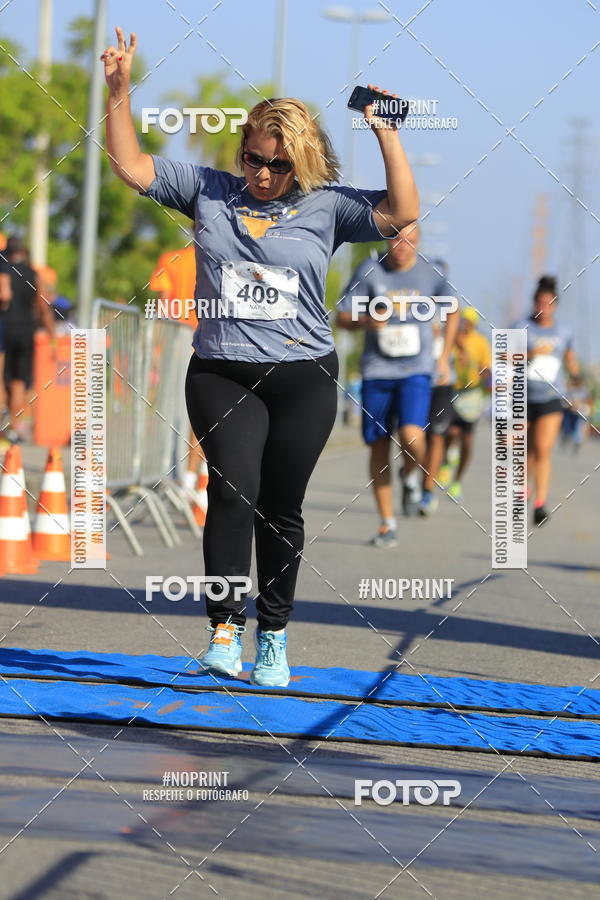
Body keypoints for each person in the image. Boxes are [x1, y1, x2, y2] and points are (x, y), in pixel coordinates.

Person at [103, 28, 419, 685]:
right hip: (221, 370)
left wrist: (387, 132)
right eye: (254, 159)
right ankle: (224, 631)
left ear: (301, 162)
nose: (263, 174)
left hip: (303, 377)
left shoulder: (328, 207)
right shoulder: (207, 190)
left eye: (278, 165)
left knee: (282, 507)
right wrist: (118, 93)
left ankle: (272, 636)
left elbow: (401, 213)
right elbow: (133, 168)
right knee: (231, 491)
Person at [336, 226, 458, 545]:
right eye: (396, 239)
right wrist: (365, 321)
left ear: (418, 243)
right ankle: (387, 524)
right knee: (378, 446)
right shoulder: (370, 269)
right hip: (377, 371)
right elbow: (342, 316)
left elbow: (453, 310)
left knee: (411, 435)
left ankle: (410, 473)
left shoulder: (430, 273)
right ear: (387, 239)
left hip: (416, 369)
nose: (402, 247)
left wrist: (443, 357)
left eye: (410, 242)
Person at [513, 275, 577, 526]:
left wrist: (574, 369)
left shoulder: (563, 332)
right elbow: (505, 356)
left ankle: (540, 503)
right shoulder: (521, 326)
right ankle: (524, 490)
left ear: (555, 305)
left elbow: (570, 359)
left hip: (551, 396)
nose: (543, 308)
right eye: (540, 302)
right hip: (523, 396)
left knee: (542, 448)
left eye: (548, 303)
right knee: (525, 451)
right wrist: (529, 353)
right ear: (534, 302)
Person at [149, 242, 204, 497]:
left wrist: (156, 349)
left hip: (178, 338)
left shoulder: (171, 259)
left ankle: (174, 476)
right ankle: (191, 480)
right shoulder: (220, 259)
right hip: (212, 338)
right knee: (202, 413)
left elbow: (163, 305)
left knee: (173, 410)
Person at [0, 237, 55, 443]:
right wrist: (52, 336)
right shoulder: (34, 274)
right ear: (24, 251)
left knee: (2, 375)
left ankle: (5, 425)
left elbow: (4, 295)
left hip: (6, 327)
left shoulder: (3, 271)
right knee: (19, 380)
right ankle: (13, 427)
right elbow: (43, 307)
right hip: (26, 330)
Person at [438, 307, 491, 502]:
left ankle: (457, 482)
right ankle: (445, 462)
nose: (466, 325)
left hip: (473, 395)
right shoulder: (451, 337)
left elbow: (487, 367)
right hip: (453, 392)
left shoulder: (480, 342)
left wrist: (483, 372)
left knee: (467, 441)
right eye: (463, 322)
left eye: (469, 322)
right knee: (449, 432)